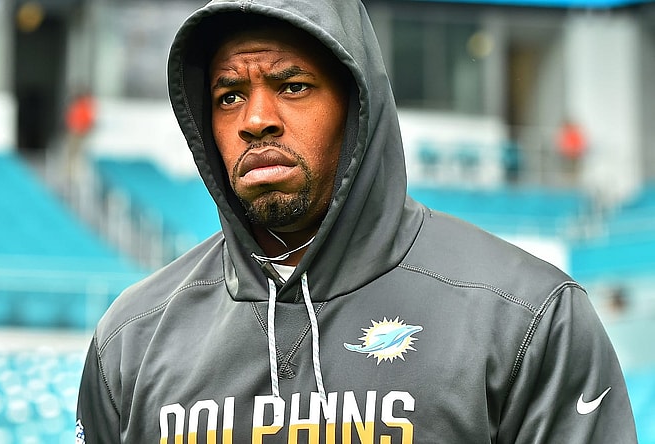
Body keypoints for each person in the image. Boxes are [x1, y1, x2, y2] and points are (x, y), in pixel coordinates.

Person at [76, 0, 637, 442]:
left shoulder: (526, 319)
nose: (256, 120)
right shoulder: (132, 340)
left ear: (357, 105)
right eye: (229, 95)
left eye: (292, 86)